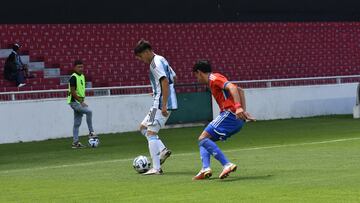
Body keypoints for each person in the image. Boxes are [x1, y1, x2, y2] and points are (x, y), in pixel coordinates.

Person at [192, 60, 255, 180]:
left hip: (229, 115)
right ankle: (205, 168)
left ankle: (227, 164)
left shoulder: (214, 78)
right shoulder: (213, 81)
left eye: (196, 75)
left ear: (199, 72)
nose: (197, 79)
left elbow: (232, 87)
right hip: (234, 117)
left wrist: (238, 107)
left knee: (203, 138)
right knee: (205, 140)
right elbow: (240, 90)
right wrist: (242, 110)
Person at [134, 39, 178, 175]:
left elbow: (165, 82)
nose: (142, 60)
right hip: (156, 104)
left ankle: (156, 168)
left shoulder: (155, 64)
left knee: (151, 133)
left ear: (147, 52)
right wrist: (157, 90)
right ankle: (163, 150)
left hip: (160, 105)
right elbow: (174, 78)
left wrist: (164, 104)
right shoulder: (161, 59)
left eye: (141, 57)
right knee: (143, 128)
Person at [67, 60, 97, 149]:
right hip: (74, 102)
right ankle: (91, 132)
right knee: (89, 112)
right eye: (79, 67)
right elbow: (72, 92)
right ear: (74, 67)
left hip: (78, 102)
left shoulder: (82, 76)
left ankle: (75, 143)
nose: (81, 68)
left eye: (82, 67)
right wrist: (81, 101)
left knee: (77, 123)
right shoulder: (73, 77)